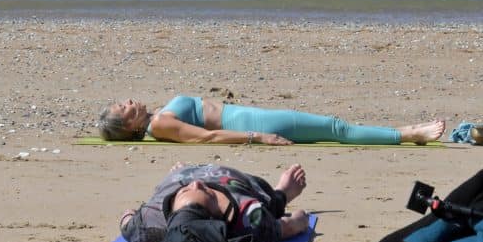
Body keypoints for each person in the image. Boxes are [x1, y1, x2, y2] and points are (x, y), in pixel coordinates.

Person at [120, 162, 310, 242]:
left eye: (184, 191)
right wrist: (300, 218)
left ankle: (179, 177)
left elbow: (126, 218)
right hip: (243, 183)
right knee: (271, 205)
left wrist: (180, 179)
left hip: (180, 175)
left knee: (176, 177)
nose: (196, 183)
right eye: (207, 193)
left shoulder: (146, 224)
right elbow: (293, 225)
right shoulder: (249, 218)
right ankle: (283, 192)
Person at [98, 95, 446, 146]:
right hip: (259, 124)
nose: (129, 103)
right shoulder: (159, 125)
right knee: (335, 128)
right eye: (124, 109)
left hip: (253, 116)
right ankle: (406, 134)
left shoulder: (158, 118)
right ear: (129, 127)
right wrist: (257, 137)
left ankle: (404, 132)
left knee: (333, 126)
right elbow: (205, 138)